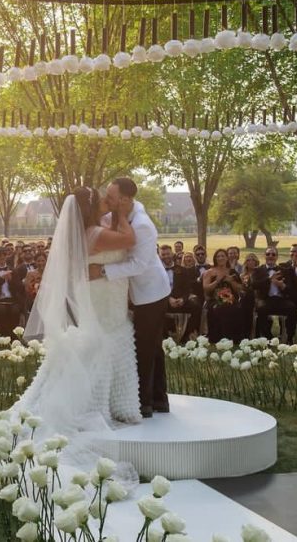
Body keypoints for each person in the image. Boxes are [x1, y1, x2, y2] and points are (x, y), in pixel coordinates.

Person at [18, 185, 143, 445]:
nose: (107, 201)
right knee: (105, 342)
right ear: (91, 208)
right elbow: (130, 240)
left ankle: (113, 401)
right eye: (102, 200)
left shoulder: (91, 232)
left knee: (103, 341)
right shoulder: (95, 234)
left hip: (106, 292)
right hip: (103, 296)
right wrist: (121, 211)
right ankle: (99, 404)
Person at [90, 177, 171, 418]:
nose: (108, 200)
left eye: (111, 197)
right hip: (139, 292)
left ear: (125, 200)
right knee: (154, 346)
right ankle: (159, 399)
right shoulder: (121, 214)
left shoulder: (143, 224)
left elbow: (137, 264)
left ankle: (144, 403)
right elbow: (101, 223)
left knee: (145, 347)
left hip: (152, 292)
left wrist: (103, 271)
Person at [254, 247, 297, 340]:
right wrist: (269, 279)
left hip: (280, 299)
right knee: (261, 309)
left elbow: (292, 290)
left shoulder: (284, 271)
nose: (270, 256)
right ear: (264, 256)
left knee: (292, 307)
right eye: (268, 254)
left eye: (273, 254)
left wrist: (282, 286)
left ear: (277, 257)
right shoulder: (258, 270)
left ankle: (289, 337)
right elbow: (254, 285)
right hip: (265, 299)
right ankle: (268, 338)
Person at [203, 249, 245, 343]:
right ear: (215, 259)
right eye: (218, 256)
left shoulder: (232, 271)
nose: (221, 258)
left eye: (223, 256)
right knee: (219, 308)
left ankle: (234, 338)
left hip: (231, 299)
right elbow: (206, 288)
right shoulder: (209, 272)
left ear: (227, 258)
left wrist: (231, 282)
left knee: (236, 308)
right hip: (214, 299)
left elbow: (240, 288)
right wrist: (217, 281)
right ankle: (218, 338)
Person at [160, 245, 202, 340]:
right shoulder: (157, 271)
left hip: (180, 300)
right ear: (160, 255)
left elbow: (187, 289)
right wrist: (168, 299)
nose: (166, 256)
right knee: (156, 308)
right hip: (163, 299)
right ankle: (165, 336)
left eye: (168, 254)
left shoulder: (182, 270)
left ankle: (188, 334)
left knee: (196, 306)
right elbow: (155, 288)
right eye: (163, 254)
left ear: (172, 254)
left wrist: (183, 299)